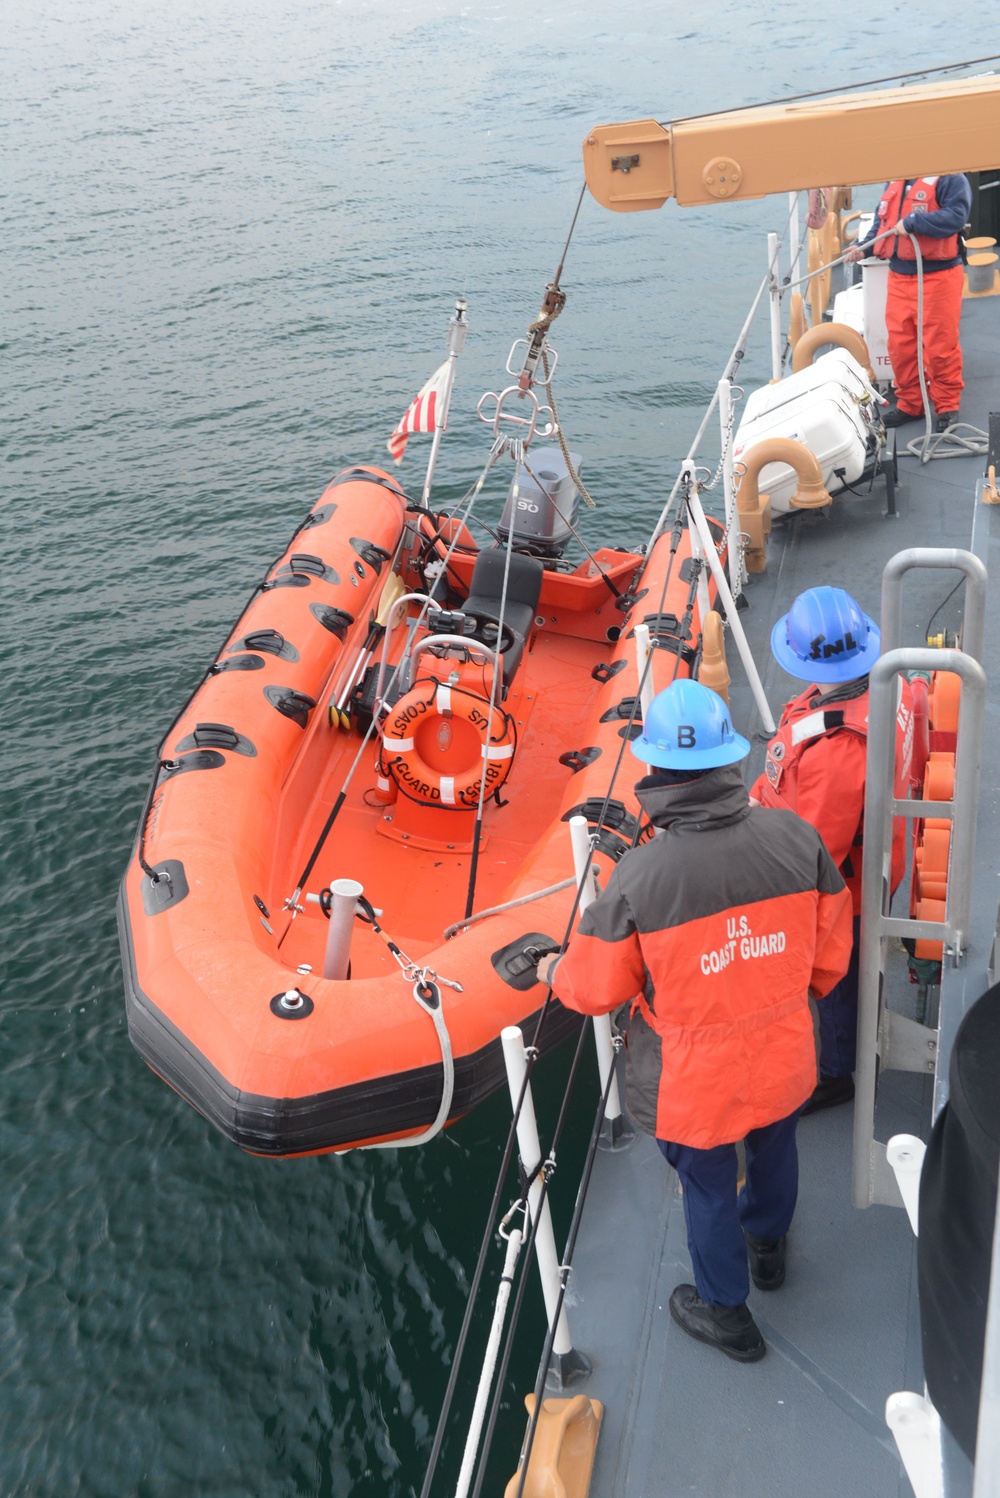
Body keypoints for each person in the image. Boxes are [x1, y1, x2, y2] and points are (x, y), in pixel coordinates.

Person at [535, 680, 853, 1363]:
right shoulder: (797, 838)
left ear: (655, 774)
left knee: (706, 1189)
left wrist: (545, 971)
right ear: (729, 761)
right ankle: (768, 1249)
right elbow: (830, 959)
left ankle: (728, 1315)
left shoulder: (639, 878)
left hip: (693, 1078)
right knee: (776, 1149)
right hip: (784, 1051)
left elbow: (592, 989)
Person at [750, 586, 913, 1113]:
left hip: (846, 886)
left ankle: (839, 1071)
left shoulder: (837, 749)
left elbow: (816, 851)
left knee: (839, 978)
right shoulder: (900, 686)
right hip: (881, 858)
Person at [845, 174, 972, 433]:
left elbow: (957, 216)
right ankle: (911, 403)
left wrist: (915, 221)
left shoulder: (951, 177)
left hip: (939, 277)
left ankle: (947, 406)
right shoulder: (896, 179)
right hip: (899, 277)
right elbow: (883, 223)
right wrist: (863, 248)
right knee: (900, 346)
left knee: (940, 346)